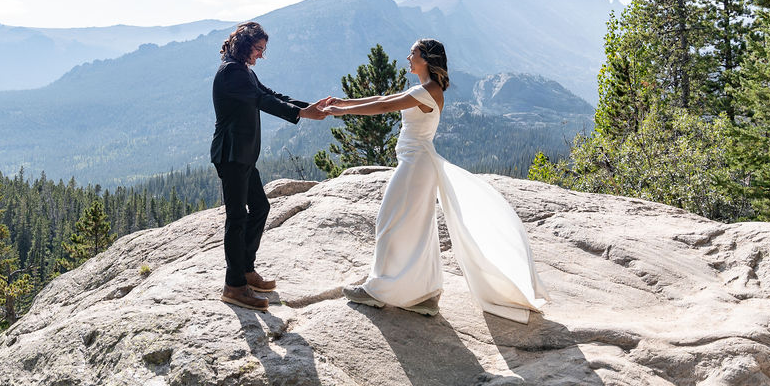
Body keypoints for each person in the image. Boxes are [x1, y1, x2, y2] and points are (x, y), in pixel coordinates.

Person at [322, 39, 549, 322]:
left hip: (416, 165)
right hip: (417, 164)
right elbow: (382, 98)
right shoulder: (427, 88)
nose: (408, 56)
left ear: (426, 59)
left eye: (413, 53)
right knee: (418, 229)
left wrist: (343, 111)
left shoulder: (425, 91)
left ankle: (378, 290)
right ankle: (424, 295)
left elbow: (382, 106)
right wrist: (345, 102)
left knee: (389, 223)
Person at [211, 21, 328, 311]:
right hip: (232, 154)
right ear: (245, 45)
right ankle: (234, 285)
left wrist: (310, 106)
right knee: (237, 218)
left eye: (264, 50)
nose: (261, 55)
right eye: (259, 49)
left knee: (260, 207)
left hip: (244, 155)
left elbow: (271, 93)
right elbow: (262, 101)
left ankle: (246, 269)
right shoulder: (231, 73)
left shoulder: (244, 70)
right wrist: (301, 113)